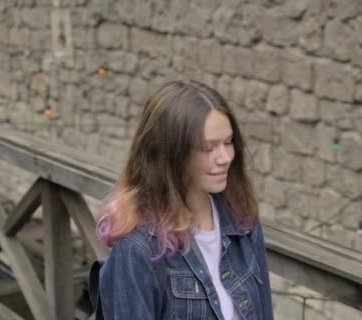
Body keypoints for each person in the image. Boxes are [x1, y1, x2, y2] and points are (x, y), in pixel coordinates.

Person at [94, 80, 274, 320]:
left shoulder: (241, 218)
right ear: (172, 155)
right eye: (209, 148)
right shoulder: (137, 249)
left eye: (228, 142)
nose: (226, 157)